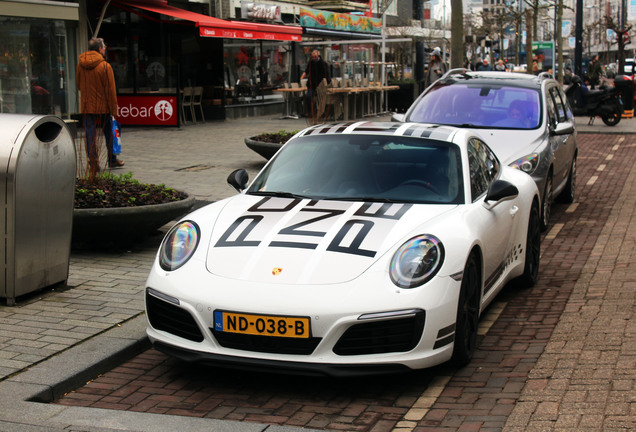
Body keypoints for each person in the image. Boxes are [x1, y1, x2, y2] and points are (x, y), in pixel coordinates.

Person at [76, 37, 124, 169]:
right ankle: (112, 159)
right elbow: (110, 90)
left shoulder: (81, 65)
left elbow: (78, 84)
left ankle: (93, 162)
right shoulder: (105, 66)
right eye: (104, 47)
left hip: (87, 105)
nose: (105, 49)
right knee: (109, 131)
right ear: (99, 49)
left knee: (90, 133)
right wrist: (114, 109)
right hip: (104, 106)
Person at [300, 49, 330, 118]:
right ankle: (310, 112)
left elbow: (326, 74)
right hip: (312, 84)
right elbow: (306, 71)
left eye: (315, 57)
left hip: (320, 84)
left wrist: (326, 82)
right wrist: (301, 78)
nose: (314, 58)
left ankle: (320, 112)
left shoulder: (323, 63)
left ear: (318, 55)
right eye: (313, 57)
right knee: (309, 97)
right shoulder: (311, 63)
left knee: (320, 98)